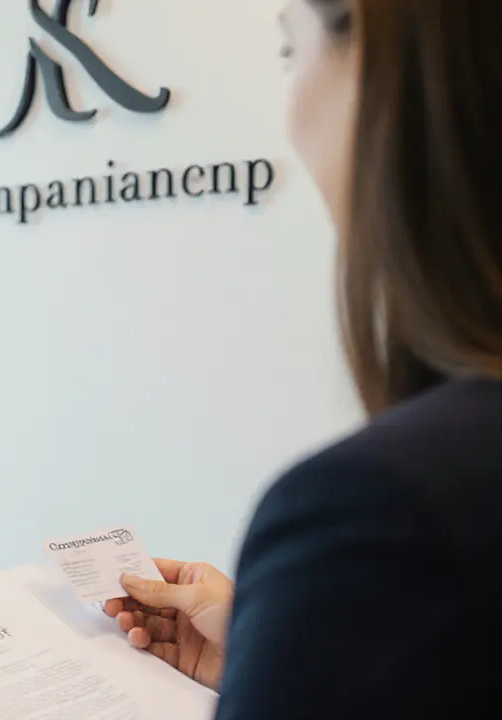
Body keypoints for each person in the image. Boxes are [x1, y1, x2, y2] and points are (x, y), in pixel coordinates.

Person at [102, 1, 502, 717]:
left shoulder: (376, 513)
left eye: (291, 54)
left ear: (386, 82)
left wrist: (321, 625)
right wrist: (285, 655)